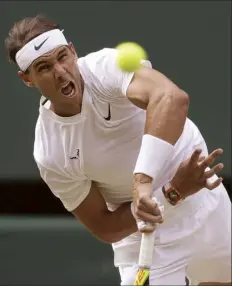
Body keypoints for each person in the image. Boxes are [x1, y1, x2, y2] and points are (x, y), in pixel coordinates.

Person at [5, 14, 231, 285]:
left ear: (74, 51)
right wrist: (170, 193)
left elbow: (172, 99)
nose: (60, 71)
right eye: (43, 67)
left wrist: (143, 180)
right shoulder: (50, 152)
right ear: (27, 79)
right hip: (146, 238)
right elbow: (104, 225)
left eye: (63, 57)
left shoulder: (105, 67)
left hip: (205, 201)